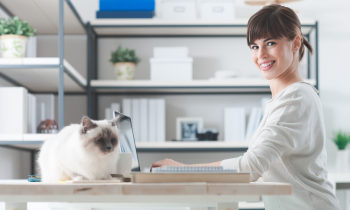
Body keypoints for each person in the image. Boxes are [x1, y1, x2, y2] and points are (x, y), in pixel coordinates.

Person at [151, 4, 341, 210]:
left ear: (295, 43)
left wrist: (183, 171)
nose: (261, 55)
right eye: (255, 46)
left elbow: (250, 167)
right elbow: (263, 172)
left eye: (270, 43)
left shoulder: (294, 98)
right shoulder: (287, 98)